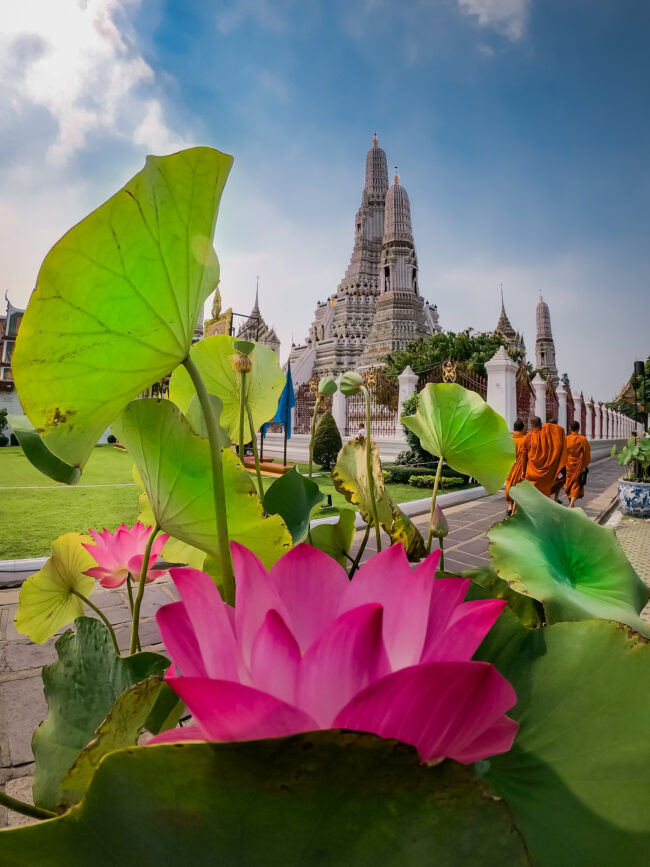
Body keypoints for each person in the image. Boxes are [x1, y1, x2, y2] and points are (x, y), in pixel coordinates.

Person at [524, 416, 568, 498]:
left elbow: (524, 456)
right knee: (544, 495)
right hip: (545, 473)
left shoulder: (528, 436)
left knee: (529, 495)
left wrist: (523, 470)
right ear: (541, 424)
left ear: (531, 426)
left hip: (531, 472)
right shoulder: (547, 435)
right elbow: (557, 430)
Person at [565, 420, 591, 508]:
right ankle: (571, 505)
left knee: (569, 484)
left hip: (568, 464)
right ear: (579, 429)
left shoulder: (566, 439)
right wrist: (584, 465)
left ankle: (571, 504)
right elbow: (587, 453)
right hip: (578, 465)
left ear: (569, 428)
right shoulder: (582, 439)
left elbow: (562, 452)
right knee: (575, 484)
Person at [505, 419, 527, 516]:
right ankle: (515, 505)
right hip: (520, 467)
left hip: (510, 465)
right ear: (523, 429)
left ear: (513, 428)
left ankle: (509, 506)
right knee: (518, 486)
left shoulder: (509, 439)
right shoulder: (526, 439)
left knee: (509, 485)